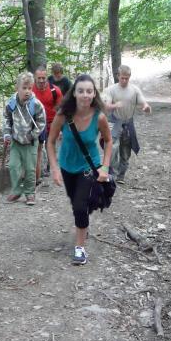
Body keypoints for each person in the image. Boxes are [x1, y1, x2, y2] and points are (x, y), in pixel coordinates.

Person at [46, 74, 113, 265]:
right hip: (67, 166)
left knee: (80, 206)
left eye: (89, 91)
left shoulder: (99, 117)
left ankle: (79, 247)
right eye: (81, 91)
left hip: (88, 166)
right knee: (76, 202)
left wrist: (105, 167)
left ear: (94, 94)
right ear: (74, 93)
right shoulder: (63, 115)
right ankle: (83, 220)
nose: (85, 95)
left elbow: (108, 141)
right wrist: (54, 168)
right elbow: (50, 142)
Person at [102, 64, 151, 184]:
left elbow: (143, 102)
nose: (124, 80)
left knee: (125, 151)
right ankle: (112, 173)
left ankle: (121, 175)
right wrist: (114, 105)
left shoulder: (134, 90)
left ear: (130, 77)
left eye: (127, 78)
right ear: (118, 76)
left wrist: (146, 107)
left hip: (128, 123)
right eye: (122, 78)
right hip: (114, 121)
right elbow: (106, 106)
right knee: (111, 148)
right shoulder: (111, 90)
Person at [3, 72, 46, 205]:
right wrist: (7, 133)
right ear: (17, 88)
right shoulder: (11, 103)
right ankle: (16, 191)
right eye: (24, 88)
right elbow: (7, 118)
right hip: (16, 141)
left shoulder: (36, 104)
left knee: (30, 168)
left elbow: (41, 122)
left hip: (30, 142)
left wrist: (33, 135)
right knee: (13, 166)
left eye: (30, 88)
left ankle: (30, 193)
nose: (27, 91)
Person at [32, 66, 63, 183]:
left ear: (47, 77)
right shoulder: (30, 90)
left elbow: (61, 111)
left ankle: (49, 166)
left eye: (43, 78)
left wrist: (61, 128)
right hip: (35, 124)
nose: (41, 80)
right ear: (35, 78)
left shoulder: (55, 91)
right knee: (38, 148)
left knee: (50, 146)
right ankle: (39, 172)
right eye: (39, 78)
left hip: (51, 123)